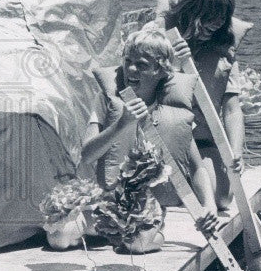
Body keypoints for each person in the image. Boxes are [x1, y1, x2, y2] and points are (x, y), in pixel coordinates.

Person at [79, 25, 219, 233]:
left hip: (144, 209)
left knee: (137, 242)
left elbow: (197, 168)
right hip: (104, 201)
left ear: (161, 71)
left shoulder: (173, 110)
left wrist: (209, 205)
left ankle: (149, 233)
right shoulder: (106, 99)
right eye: (128, 61)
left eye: (142, 65)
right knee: (60, 238)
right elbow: (86, 155)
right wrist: (121, 124)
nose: (131, 69)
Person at [161, 0, 251, 211]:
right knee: (170, 194)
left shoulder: (224, 54)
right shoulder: (162, 41)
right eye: (211, 17)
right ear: (192, 10)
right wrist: (175, 63)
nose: (217, 24)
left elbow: (232, 110)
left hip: (202, 143)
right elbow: (150, 94)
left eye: (222, 18)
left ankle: (188, 181)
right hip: (168, 139)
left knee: (222, 198)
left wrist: (236, 153)